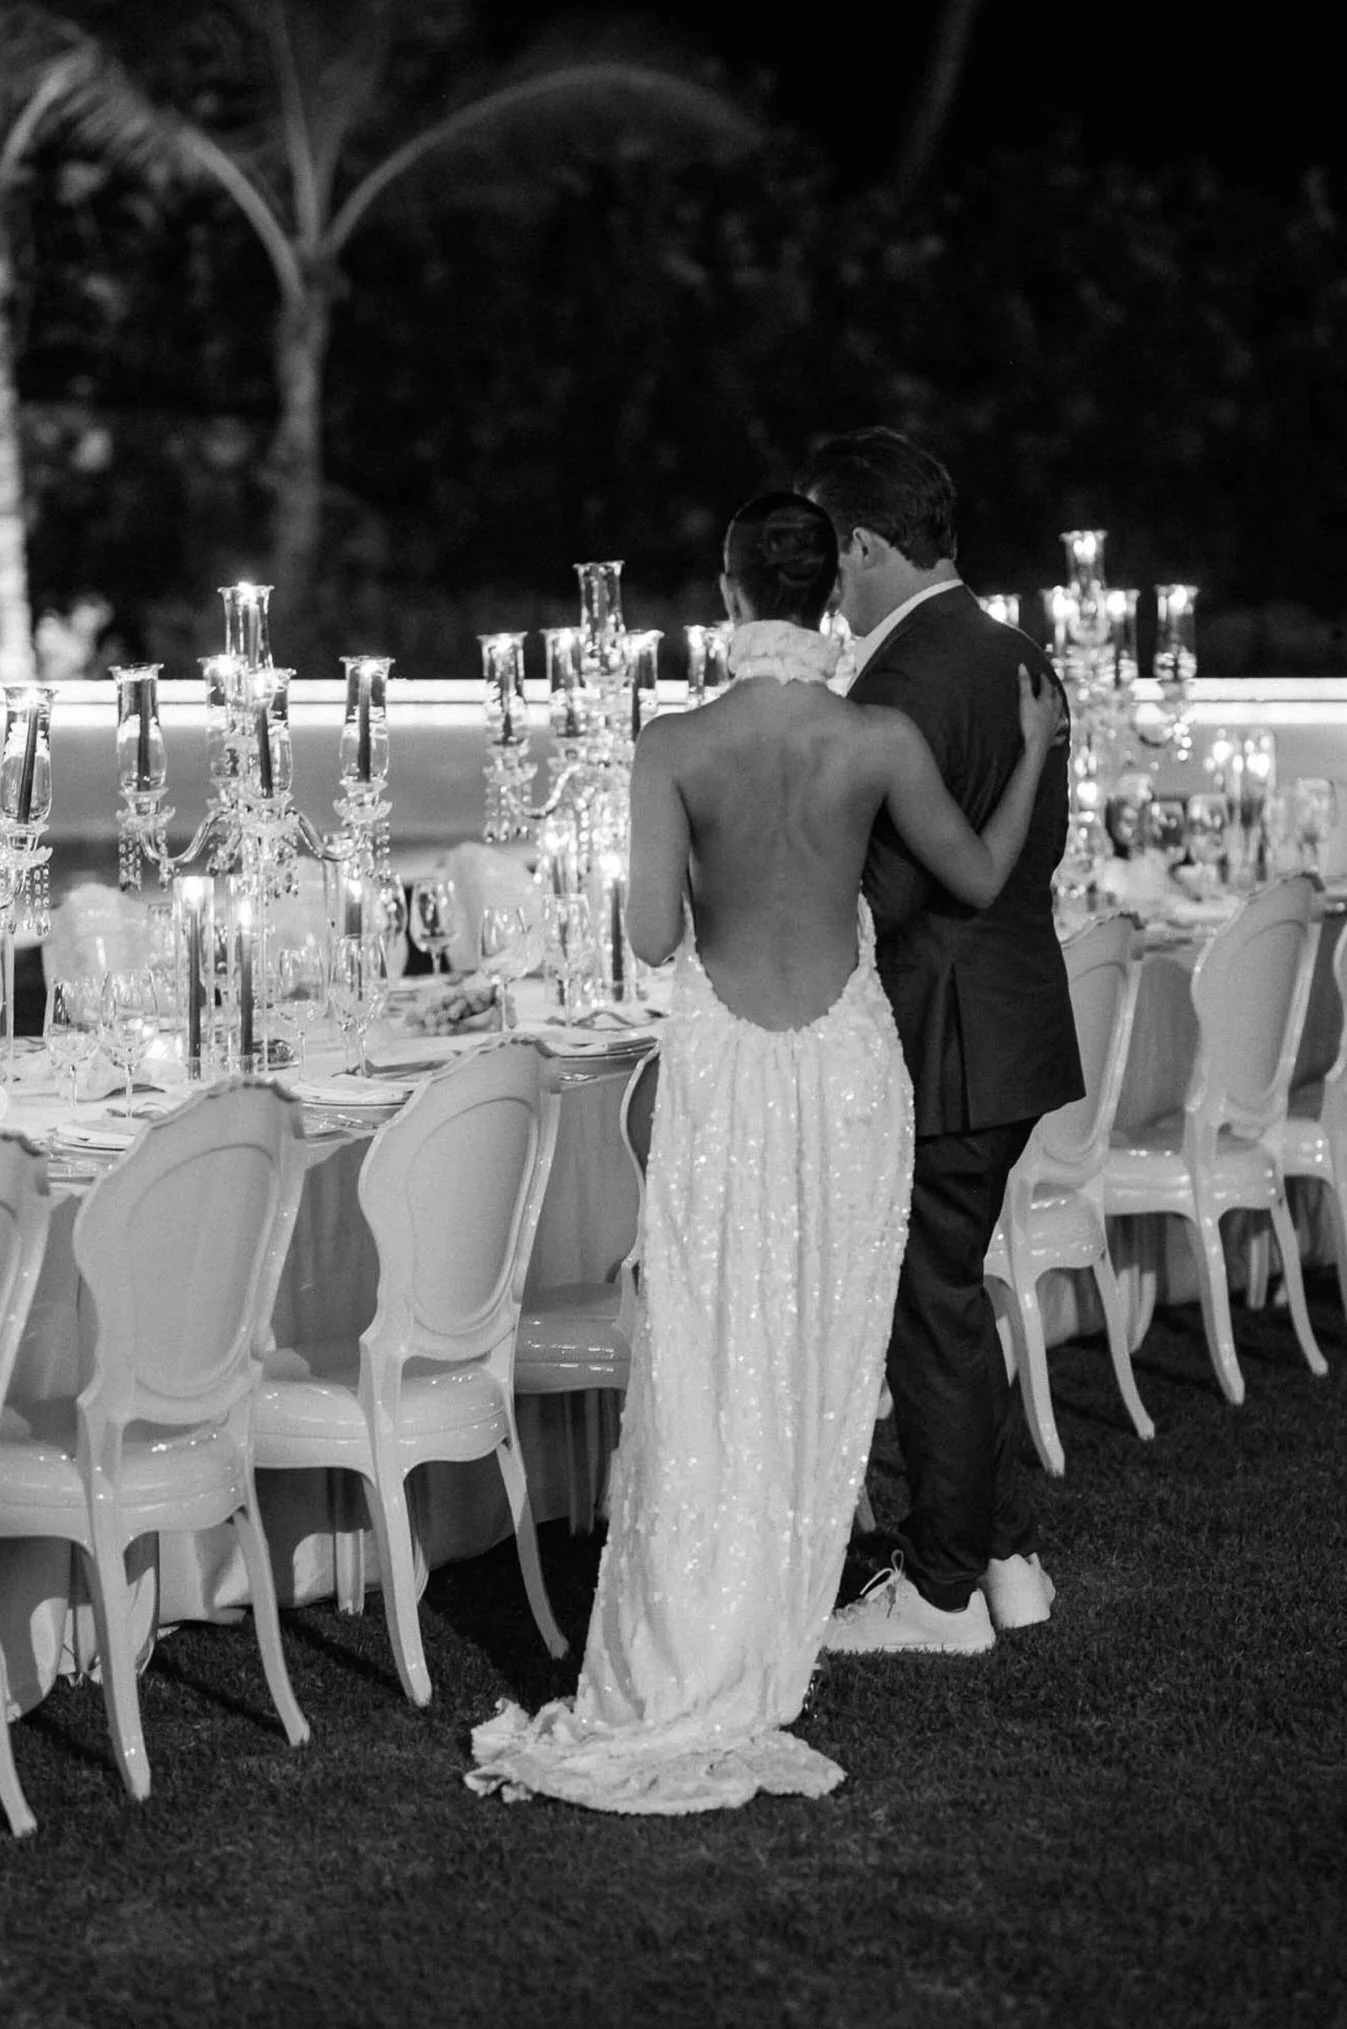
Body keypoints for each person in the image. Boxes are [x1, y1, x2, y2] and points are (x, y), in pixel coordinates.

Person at [467, 493, 1062, 1815]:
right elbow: (969, 879)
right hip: (845, 1071)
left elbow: (648, 935)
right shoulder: (877, 735)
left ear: (732, 597)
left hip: (732, 1065)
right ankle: (778, 1622)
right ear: (820, 596)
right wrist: (1024, 755)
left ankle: (692, 1638)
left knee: (707, 1350)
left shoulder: (673, 741)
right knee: (810, 1348)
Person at [795, 426, 1083, 1656]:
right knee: (950, 1298)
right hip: (1010, 1020)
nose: (823, 577)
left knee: (931, 1304)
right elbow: (1037, 852)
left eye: (829, 549)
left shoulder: (899, 681)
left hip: (946, 1034)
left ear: (861, 544)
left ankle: (944, 1587)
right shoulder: (1016, 652)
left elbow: (896, 893)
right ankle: (1007, 1558)